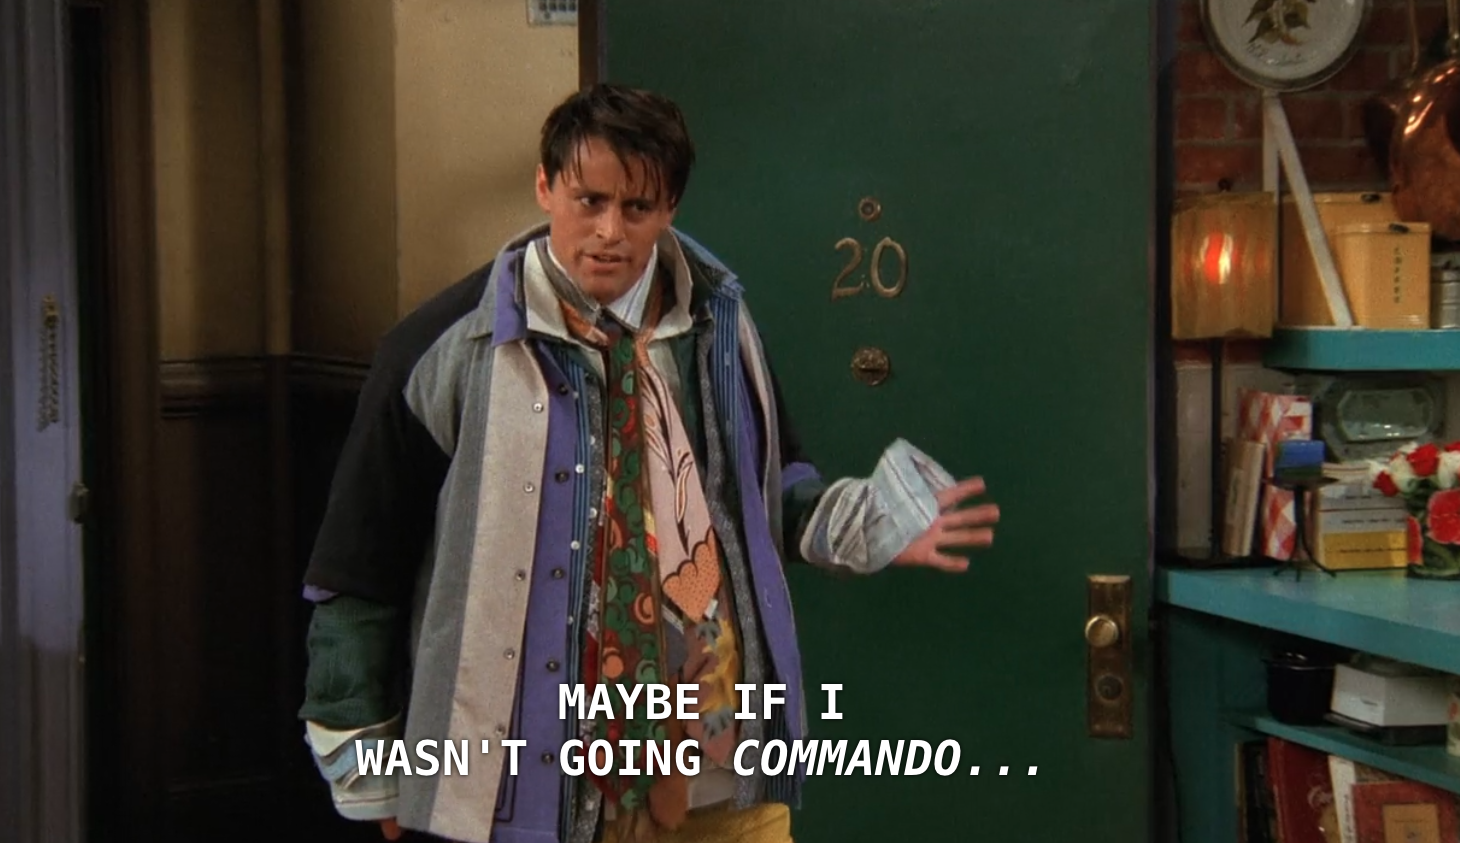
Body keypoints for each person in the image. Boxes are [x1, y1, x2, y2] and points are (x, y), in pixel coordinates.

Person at [297, 83, 999, 843]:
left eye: (636, 208)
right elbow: (359, 566)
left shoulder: (718, 325)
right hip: (530, 786)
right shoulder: (443, 349)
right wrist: (367, 769)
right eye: (588, 200)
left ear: (670, 207)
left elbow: (766, 492)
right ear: (545, 186)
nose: (609, 231)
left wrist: (871, 525)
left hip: (717, 763)